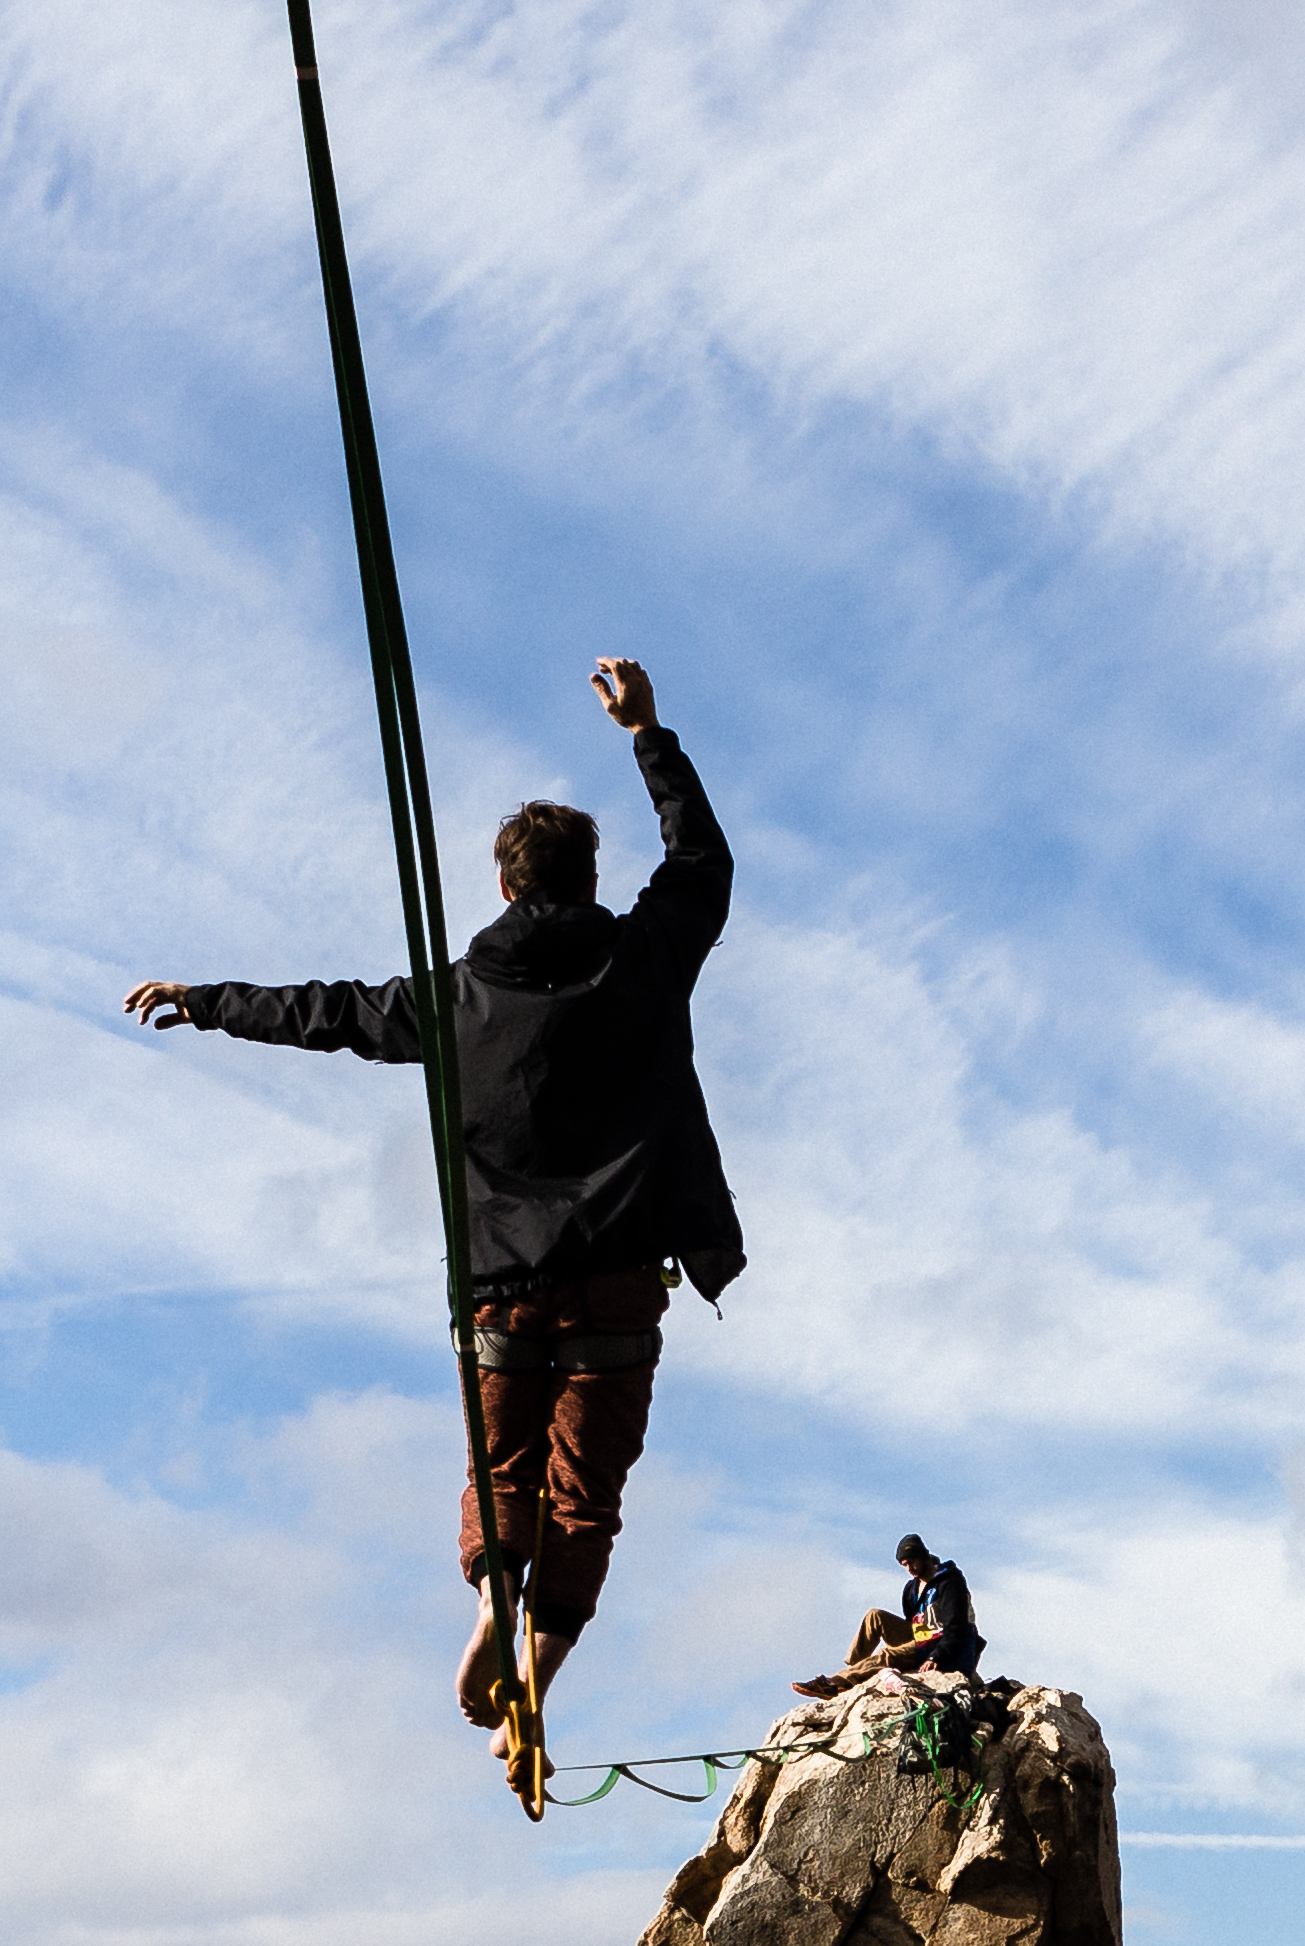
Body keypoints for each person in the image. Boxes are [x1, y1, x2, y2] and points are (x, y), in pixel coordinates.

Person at [124, 658, 742, 1739]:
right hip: (615, 1288)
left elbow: (330, 1012)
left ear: (504, 889)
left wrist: (207, 1000)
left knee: (500, 1469)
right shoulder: (644, 958)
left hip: (502, 1290)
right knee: (584, 1493)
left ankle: (497, 1596)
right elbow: (701, 861)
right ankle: (541, 1658)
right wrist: (648, 733)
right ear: (592, 883)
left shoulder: (453, 1002)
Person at [798, 1536, 981, 1696]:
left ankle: (833, 1683)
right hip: (921, 1636)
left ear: (924, 1556)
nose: (910, 1568)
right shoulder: (912, 1589)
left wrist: (936, 1657)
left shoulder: (949, 1582)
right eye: (905, 1565)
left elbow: (956, 1627)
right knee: (875, 1616)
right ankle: (854, 1671)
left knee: (886, 1656)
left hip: (944, 1643)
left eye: (912, 1562)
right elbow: (912, 1622)